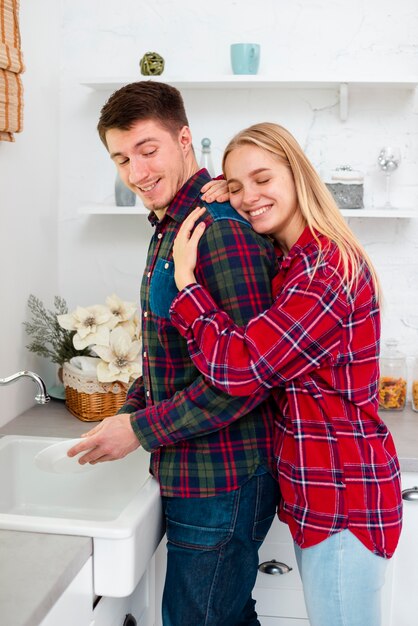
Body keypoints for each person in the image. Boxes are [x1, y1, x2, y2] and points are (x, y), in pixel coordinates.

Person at [169, 122, 403, 626]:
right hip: (318, 494)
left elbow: (243, 366)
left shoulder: (324, 270)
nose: (250, 197)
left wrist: (186, 281)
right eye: (237, 186)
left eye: (263, 179)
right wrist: (225, 198)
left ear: (296, 175)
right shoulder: (292, 261)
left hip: (344, 497)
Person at [67, 82, 281, 626]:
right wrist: (125, 415)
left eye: (147, 149)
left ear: (184, 140)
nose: (137, 172)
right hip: (197, 475)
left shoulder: (218, 232)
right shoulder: (171, 228)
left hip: (224, 481)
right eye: (121, 158)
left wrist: (138, 431)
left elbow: (245, 380)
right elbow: (169, 358)